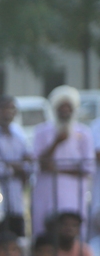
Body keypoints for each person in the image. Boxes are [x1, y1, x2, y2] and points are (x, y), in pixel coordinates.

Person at [32, 85, 94, 240]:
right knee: (45, 229)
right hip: (46, 192)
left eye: (68, 107)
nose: (65, 111)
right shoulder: (41, 131)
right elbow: (39, 163)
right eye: (61, 107)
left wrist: (57, 170)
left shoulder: (84, 133)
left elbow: (87, 167)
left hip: (73, 193)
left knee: (71, 229)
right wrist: (56, 142)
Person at [0, 95, 34, 235]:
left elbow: (30, 163)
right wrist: (17, 167)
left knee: (17, 237)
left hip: (17, 201)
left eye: (11, 108)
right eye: (4, 108)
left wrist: (12, 165)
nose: (7, 112)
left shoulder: (19, 135)